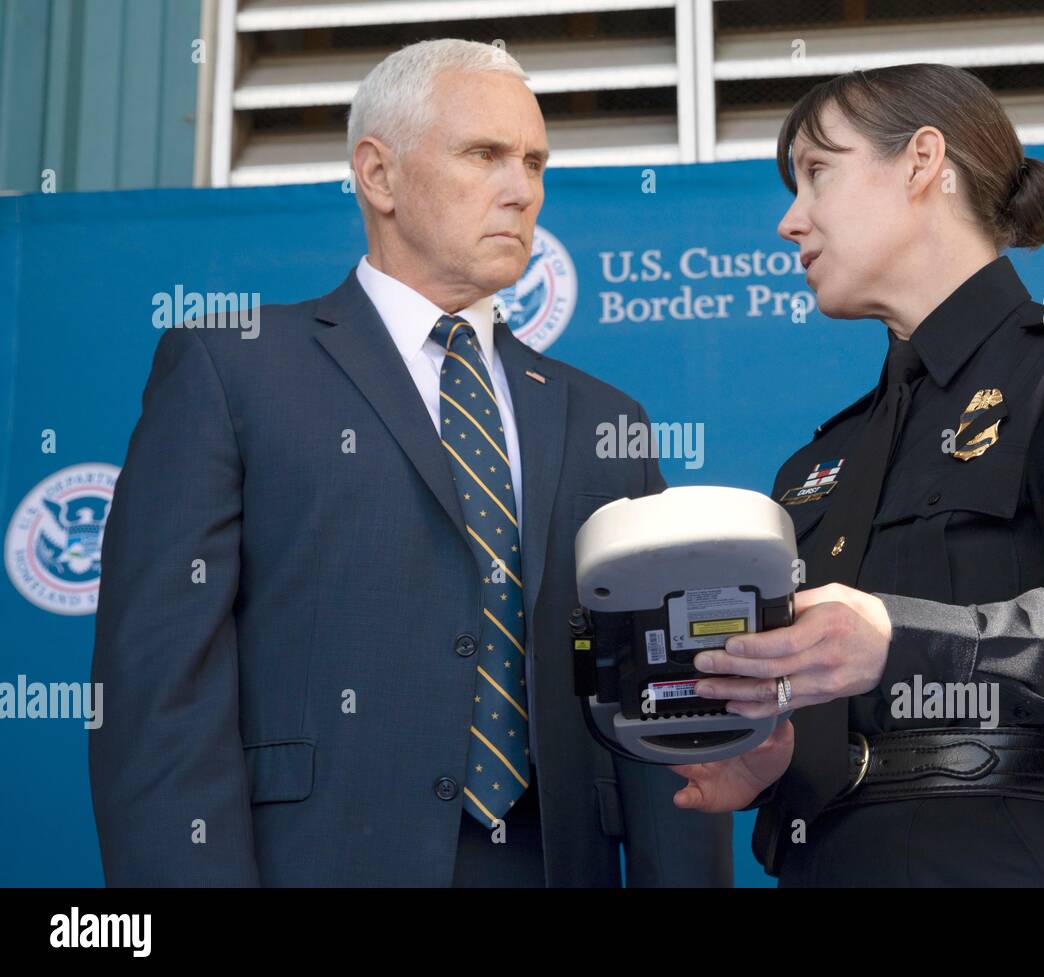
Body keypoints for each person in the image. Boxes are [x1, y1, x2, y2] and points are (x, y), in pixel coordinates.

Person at [89, 39, 731, 887]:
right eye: (485, 155)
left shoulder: (605, 419)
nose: (522, 189)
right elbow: (157, 696)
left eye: (536, 162)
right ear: (378, 176)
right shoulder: (231, 368)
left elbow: (660, 710)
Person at [669, 63, 1044, 886]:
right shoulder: (816, 463)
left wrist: (900, 637)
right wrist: (778, 763)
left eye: (818, 173)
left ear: (922, 161)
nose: (789, 220)